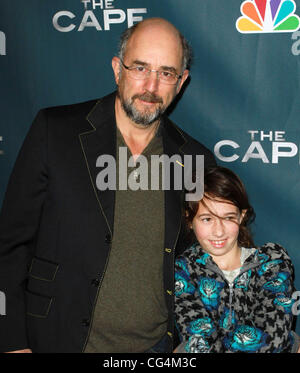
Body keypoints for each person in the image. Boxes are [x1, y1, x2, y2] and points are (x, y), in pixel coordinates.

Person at [0, 18, 216, 353]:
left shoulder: (195, 160)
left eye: (166, 73)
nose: (151, 85)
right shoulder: (55, 132)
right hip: (57, 340)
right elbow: (10, 245)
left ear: (181, 82)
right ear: (118, 69)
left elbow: (206, 263)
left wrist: (190, 339)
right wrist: (12, 341)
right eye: (140, 68)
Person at [175, 166, 299, 353]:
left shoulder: (272, 262)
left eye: (228, 218)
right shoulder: (183, 270)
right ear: (189, 220)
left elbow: (272, 337)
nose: (219, 231)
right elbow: (199, 344)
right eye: (207, 219)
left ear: (241, 216)